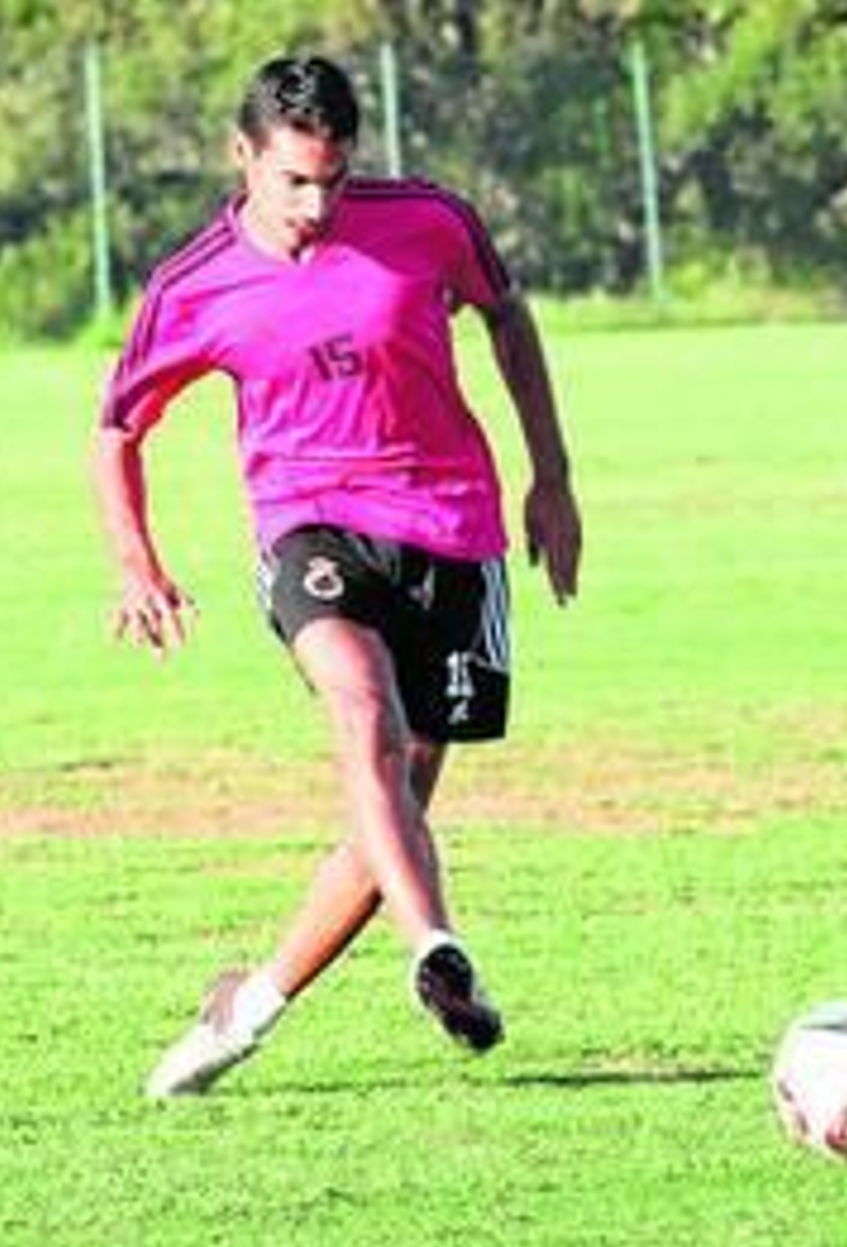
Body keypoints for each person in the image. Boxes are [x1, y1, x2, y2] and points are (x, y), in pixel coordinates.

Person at [91, 54, 581, 1100]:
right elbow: (117, 427)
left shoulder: (432, 221)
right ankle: (436, 947)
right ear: (244, 158)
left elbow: (506, 317)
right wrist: (136, 559)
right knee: (359, 709)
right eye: (293, 181)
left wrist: (554, 478)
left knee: (390, 808)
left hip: (454, 531)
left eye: (334, 179)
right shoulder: (193, 284)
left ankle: (248, 1007)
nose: (316, 203)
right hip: (310, 526)